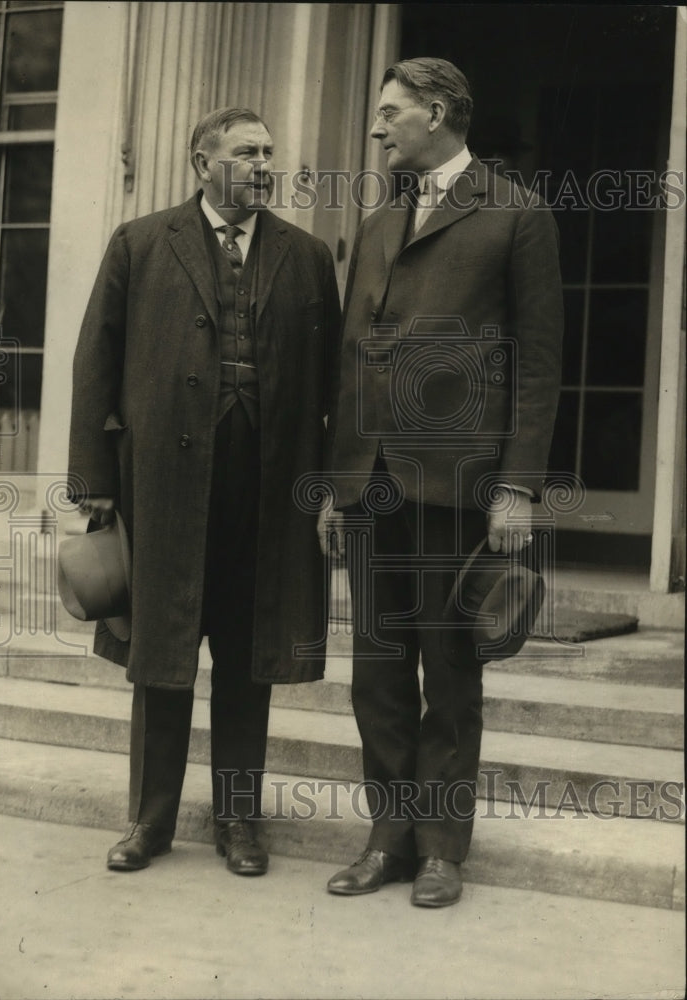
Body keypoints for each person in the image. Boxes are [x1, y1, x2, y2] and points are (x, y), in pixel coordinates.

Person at [68, 107, 340, 876]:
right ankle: (149, 823)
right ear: (202, 161)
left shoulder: (308, 255)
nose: (263, 165)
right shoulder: (142, 242)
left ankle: (238, 826)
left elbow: (334, 384)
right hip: (161, 484)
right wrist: (95, 485)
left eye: (269, 153)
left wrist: (328, 486)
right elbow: (96, 364)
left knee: (251, 656)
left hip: (270, 485)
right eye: (246, 153)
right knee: (159, 656)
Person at [323, 58, 563, 906]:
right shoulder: (381, 216)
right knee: (376, 671)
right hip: (372, 484)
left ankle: (440, 850)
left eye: (391, 112)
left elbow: (538, 366)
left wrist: (516, 488)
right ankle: (388, 841)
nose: (379, 127)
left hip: (459, 487)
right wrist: (335, 480)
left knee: (449, 670)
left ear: (438, 112)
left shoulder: (517, 213)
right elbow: (355, 357)